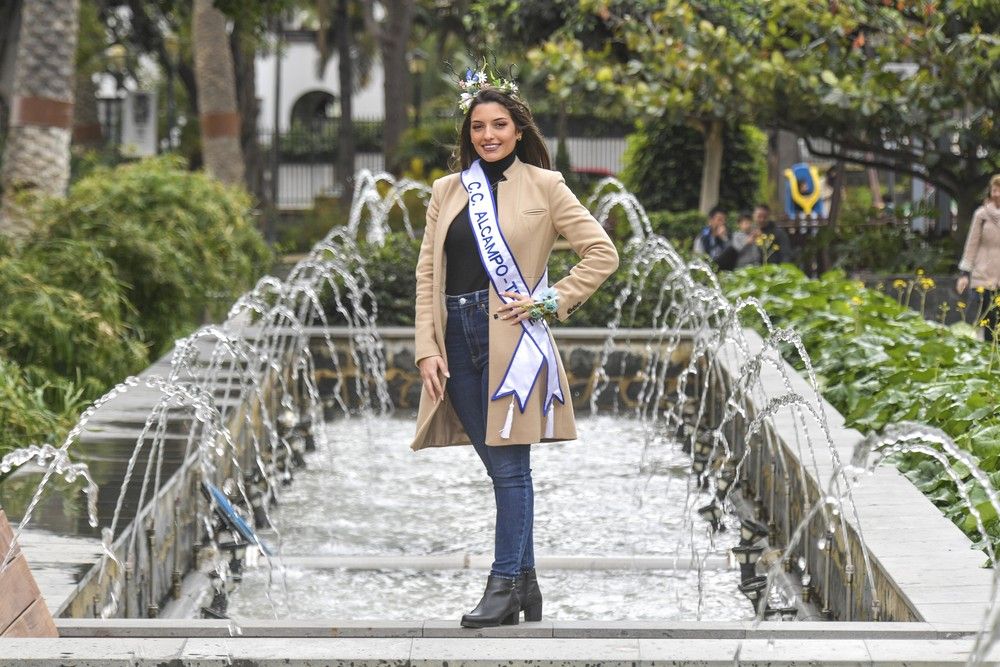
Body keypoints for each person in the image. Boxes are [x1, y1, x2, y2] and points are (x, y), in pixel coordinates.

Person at [411, 69, 619, 628]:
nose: (488, 134)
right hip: (455, 337)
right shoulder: (447, 190)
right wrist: (426, 348)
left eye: (499, 124)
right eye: (478, 126)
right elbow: (429, 270)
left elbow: (602, 254)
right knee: (501, 466)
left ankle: (504, 585)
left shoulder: (546, 186)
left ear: (518, 129)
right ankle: (524, 584)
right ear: (468, 134)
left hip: (510, 338)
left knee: (508, 467)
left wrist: (551, 301)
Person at [955, 174, 1000, 341]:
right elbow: (971, 245)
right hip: (983, 274)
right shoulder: (981, 215)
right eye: (994, 190)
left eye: (999, 190)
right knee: (984, 318)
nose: (997, 194)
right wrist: (964, 274)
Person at [693, 206, 738, 270]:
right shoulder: (702, 237)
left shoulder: (728, 236)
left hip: (724, 270)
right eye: (719, 220)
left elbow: (732, 256)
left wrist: (724, 238)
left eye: (724, 220)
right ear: (710, 220)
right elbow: (698, 258)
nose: (722, 223)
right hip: (708, 269)